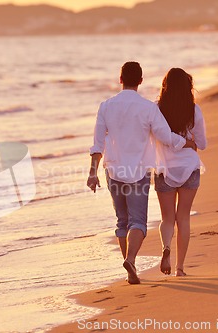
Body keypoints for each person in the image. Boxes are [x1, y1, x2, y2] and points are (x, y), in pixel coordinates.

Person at [87, 62, 196, 284]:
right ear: (141, 81)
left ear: (120, 79)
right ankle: (131, 259)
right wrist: (186, 142)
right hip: (138, 170)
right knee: (137, 222)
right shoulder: (148, 108)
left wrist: (92, 172)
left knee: (121, 222)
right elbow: (165, 136)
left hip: (114, 169)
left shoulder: (106, 106)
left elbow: (97, 143)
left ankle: (131, 266)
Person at [154, 68, 207, 277]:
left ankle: (166, 247)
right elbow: (202, 144)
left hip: (164, 169)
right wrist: (190, 141)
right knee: (183, 217)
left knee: (167, 218)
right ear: (188, 86)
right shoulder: (194, 110)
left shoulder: (156, 109)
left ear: (165, 86)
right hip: (189, 169)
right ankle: (180, 268)